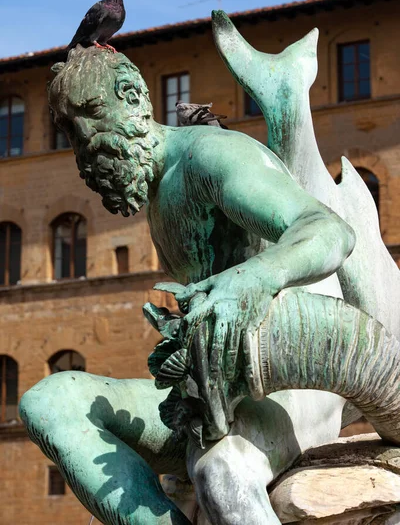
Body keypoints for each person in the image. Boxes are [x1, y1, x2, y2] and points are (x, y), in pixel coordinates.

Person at [20, 43, 356, 525]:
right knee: (48, 401)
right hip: (206, 395)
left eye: (92, 113)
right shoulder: (156, 194)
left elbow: (327, 230)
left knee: (222, 472)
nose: (86, 140)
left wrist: (254, 278)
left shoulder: (210, 156)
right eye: (70, 129)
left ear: (134, 96)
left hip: (282, 387)